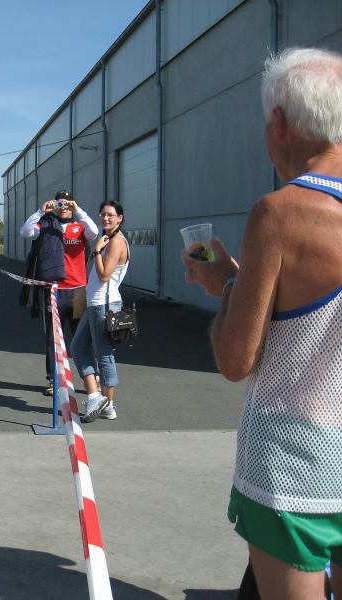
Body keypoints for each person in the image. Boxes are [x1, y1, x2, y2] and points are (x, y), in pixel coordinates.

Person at [182, 47, 342, 600]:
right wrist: (237, 281)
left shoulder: (281, 213)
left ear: (280, 122)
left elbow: (236, 358)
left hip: (296, 466)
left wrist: (227, 288)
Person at [19, 191, 98, 396]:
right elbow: (25, 232)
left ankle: (91, 378)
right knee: (52, 340)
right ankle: (53, 380)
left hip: (78, 291)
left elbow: (94, 231)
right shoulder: (46, 225)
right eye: (59, 203)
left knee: (83, 338)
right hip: (54, 291)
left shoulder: (80, 226)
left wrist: (78, 210)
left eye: (67, 203)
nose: (63, 207)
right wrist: (40, 212)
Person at [69, 200, 129, 422]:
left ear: (120, 218)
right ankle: (96, 397)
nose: (105, 218)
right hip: (95, 304)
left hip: (104, 305)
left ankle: (108, 405)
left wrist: (95, 251)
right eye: (103, 214)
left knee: (104, 354)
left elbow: (104, 276)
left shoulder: (117, 242)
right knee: (77, 347)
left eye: (110, 215)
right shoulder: (108, 239)